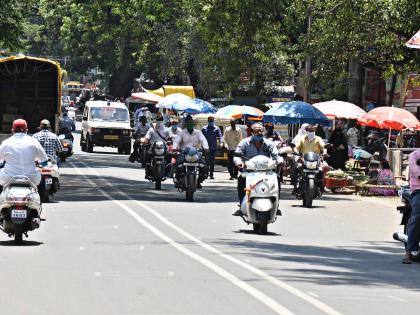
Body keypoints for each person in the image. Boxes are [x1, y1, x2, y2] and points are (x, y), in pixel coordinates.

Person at [233, 123, 283, 216]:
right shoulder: (244, 142)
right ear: (251, 132)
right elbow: (237, 155)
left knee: (277, 179)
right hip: (249, 171)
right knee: (241, 179)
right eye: (256, 130)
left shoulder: (269, 143)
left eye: (261, 130)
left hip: (266, 172)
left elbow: (276, 155)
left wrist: (280, 161)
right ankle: (241, 205)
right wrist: (239, 162)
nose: (259, 132)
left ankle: (276, 205)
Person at [0, 119, 48, 198]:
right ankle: (40, 204)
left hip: (8, 179)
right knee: (42, 178)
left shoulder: (6, 143)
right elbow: (44, 162)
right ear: (26, 130)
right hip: (31, 179)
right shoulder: (34, 142)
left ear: (12, 130)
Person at [173, 115, 209, 189]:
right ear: (186, 124)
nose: (189, 124)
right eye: (188, 123)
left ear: (193, 124)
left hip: (196, 153)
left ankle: (199, 181)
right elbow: (176, 141)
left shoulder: (198, 132)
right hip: (184, 152)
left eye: (191, 123)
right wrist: (174, 148)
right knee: (178, 163)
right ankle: (177, 179)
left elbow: (203, 140)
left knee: (204, 165)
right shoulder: (182, 133)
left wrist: (206, 148)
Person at [291, 124, 326, 192]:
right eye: (309, 131)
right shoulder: (302, 139)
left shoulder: (318, 139)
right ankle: (296, 185)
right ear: (306, 131)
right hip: (303, 159)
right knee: (295, 168)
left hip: (316, 160)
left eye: (312, 131)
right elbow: (296, 146)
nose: (311, 133)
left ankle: (320, 186)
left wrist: (325, 152)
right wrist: (295, 151)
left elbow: (324, 146)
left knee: (321, 170)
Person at [403, 148, 420, 264]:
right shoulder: (414, 155)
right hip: (418, 190)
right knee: (417, 216)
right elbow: (416, 172)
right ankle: (408, 252)